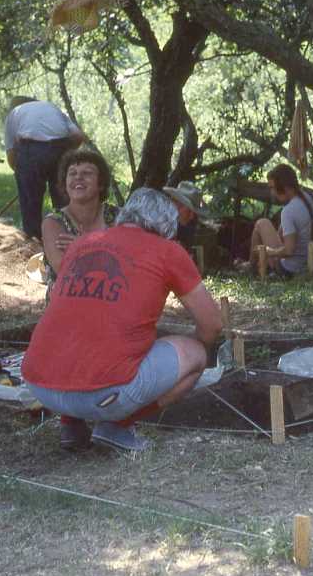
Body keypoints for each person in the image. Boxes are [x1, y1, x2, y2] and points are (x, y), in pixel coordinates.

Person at [22, 188, 223, 452]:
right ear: (168, 225)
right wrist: (203, 346)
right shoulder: (168, 251)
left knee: (85, 329)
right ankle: (116, 427)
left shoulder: (83, 243)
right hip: (104, 395)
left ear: (125, 215)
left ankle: (70, 424)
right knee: (195, 354)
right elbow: (213, 325)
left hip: (40, 386)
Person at [40, 150, 118, 301]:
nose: (78, 178)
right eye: (72, 173)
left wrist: (81, 245)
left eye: (87, 173)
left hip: (112, 303)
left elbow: (131, 263)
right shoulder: (54, 222)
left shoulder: (118, 216)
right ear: (65, 182)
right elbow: (65, 269)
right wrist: (107, 251)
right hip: (67, 305)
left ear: (101, 184)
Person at [4, 96, 86, 239]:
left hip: (31, 151)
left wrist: (23, 177)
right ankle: (68, 240)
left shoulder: (14, 113)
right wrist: (64, 154)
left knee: (31, 206)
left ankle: (34, 242)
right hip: (61, 148)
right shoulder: (51, 107)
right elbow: (78, 136)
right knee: (63, 201)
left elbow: (11, 156)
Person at [246, 164, 313, 276]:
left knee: (262, 223)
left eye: (272, 188)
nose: (272, 193)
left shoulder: (289, 211)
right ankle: (250, 265)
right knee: (278, 229)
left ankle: (250, 267)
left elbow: (289, 251)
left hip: (294, 269)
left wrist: (270, 252)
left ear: (285, 188)